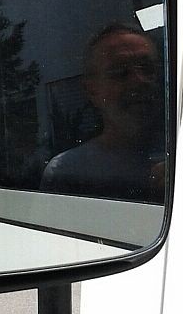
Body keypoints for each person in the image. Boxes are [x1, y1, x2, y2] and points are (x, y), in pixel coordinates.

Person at [41, 23, 165, 201]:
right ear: (92, 90)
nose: (139, 81)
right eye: (120, 72)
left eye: (147, 69)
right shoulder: (68, 172)